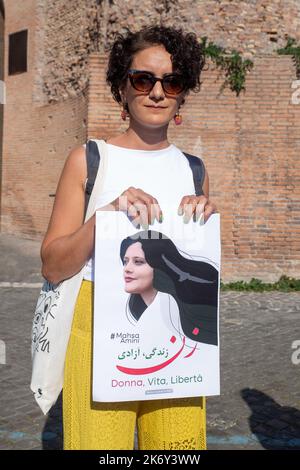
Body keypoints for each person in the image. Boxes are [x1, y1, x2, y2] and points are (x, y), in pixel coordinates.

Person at [40, 25, 218, 450]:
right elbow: (52, 263)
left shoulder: (194, 169)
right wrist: (102, 220)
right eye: (143, 79)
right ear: (123, 87)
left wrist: (204, 220)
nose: (157, 92)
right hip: (99, 323)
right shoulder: (89, 160)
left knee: (179, 453)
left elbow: (196, 264)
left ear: (182, 94)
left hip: (176, 330)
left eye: (171, 82)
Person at [121, 230, 219, 348]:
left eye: (138, 262)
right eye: (125, 261)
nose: (127, 268)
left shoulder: (188, 318)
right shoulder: (139, 314)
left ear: (159, 266)